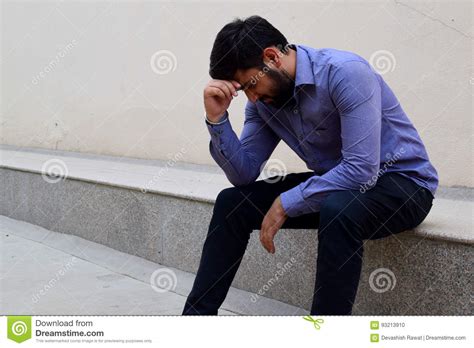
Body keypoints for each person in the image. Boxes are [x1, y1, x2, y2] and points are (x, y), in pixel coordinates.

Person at [182, 15, 438, 315]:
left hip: (403, 185)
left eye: (251, 84)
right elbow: (243, 174)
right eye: (243, 91)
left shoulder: (345, 73)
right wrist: (216, 119)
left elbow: (361, 170)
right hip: (340, 186)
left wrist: (287, 202)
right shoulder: (263, 102)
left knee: (338, 210)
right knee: (231, 203)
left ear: (272, 56)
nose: (251, 97)